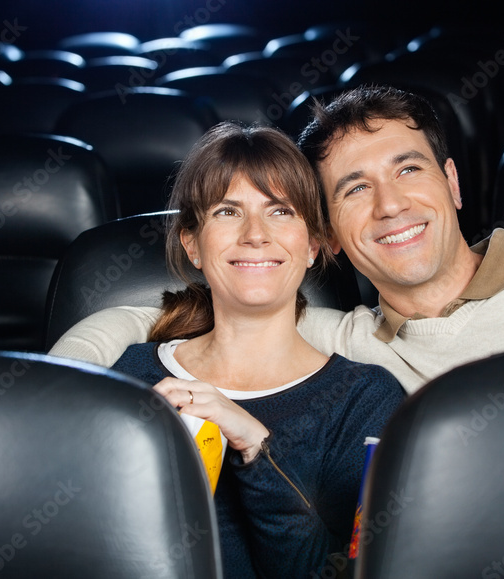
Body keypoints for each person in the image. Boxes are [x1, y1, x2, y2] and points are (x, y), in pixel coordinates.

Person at [51, 85, 504, 394]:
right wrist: (62, 386)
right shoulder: (342, 340)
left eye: (408, 170)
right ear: (328, 236)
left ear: (452, 183)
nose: (391, 206)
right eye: (356, 188)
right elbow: (149, 317)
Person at [101, 122, 405, 578]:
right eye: (228, 211)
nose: (255, 234)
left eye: (280, 211)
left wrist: (255, 448)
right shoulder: (132, 375)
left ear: (313, 244)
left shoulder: (364, 400)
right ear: (192, 244)